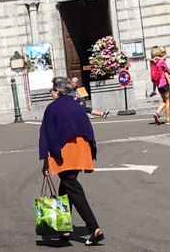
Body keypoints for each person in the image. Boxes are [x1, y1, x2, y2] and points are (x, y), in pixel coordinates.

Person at [41, 75, 104, 246]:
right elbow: (88, 129)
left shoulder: (52, 109)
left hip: (64, 152)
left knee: (73, 187)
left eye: (52, 90)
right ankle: (64, 227)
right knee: (65, 189)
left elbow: (47, 136)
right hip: (81, 149)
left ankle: (93, 227)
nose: (51, 93)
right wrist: (91, 151)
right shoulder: (77, 106)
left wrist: (46, 162)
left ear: (57, 91)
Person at [148, 46, 170, 125]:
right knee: (167, 101)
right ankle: (168, 119)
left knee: (164, 100)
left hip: (158, 84)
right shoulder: (161, 62)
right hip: (164, 83)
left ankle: (158, 113)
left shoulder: (152, 62)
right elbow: (169, 71)